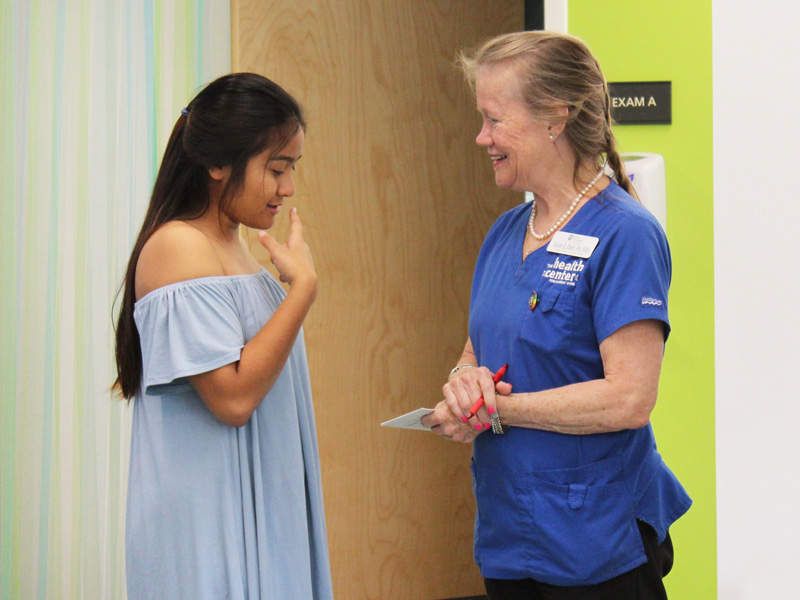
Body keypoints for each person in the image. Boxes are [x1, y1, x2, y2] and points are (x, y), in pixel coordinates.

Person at [422, 32, 691, 599]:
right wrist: (462, 385)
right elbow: (478, 354)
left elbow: (629, 397)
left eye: (494, 119)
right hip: (510, 534)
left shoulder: (626, 234)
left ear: (554, 118)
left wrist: (500, 411)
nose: (481, 138)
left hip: (597, 541)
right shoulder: (503, 235)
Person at [113, 73, 333, 600]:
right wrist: (301, 289)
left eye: (292, 169)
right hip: (210, 524)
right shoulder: (179, 248)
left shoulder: (238, 253)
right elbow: (232, 399)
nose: (288, 187)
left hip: (259, 510)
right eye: (276, 168)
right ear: (216, 164)